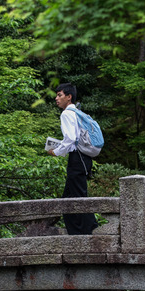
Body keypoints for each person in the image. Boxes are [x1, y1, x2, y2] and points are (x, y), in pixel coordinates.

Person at [47, 82, 98, 235]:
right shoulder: (78, 113)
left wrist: (56, 151)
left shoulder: (67, 114)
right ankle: (78, 230)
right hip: (84, 158)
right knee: (70, 197)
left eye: (59, 95)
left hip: (77, 159)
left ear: (69, 97)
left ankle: (89, 230)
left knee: (76, 197)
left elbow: (70, 138)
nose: (56, 98)